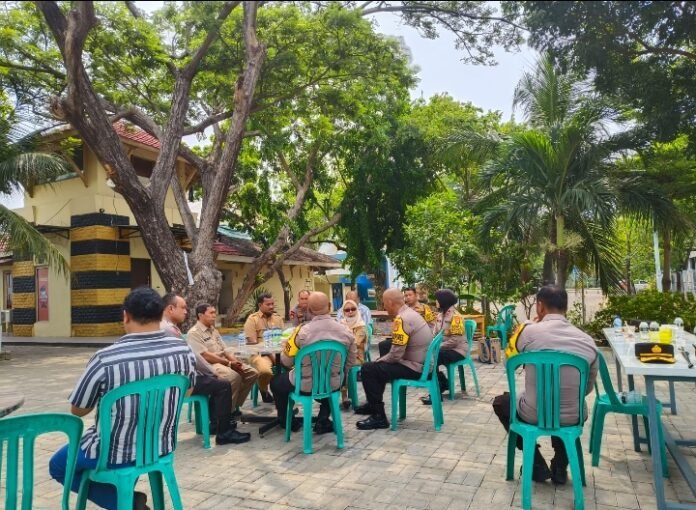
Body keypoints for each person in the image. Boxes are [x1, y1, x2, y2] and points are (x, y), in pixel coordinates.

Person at [49, 288, 196, 510]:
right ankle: (125, 499)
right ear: (161, 315)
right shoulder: (183, 350)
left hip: (113, 453)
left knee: (58, 466)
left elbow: (78, 410)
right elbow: (187, 392)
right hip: (161, 446)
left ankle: (125, 503)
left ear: (126, 316)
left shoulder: (105, 359)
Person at [492, 285, 598, 486]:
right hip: (572, 416)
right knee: (564, 405)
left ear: (540, 306)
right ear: (566, 307)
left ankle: (536, 464)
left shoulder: (528, 331)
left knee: (501, 402)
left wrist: (527, 328)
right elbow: (586, 389)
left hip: (532, 413)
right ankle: (560, 466)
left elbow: (508, 363)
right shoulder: (588, 341)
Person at [161, 293, 250, 445]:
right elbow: (194, 356)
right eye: (183, 308)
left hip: (179, 377)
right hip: (179, 382)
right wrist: (212, 372)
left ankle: (220, 421)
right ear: (170, 308)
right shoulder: (169, 329)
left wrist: (211, 371)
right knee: (223, 384)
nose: (186, 312)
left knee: (218, 380)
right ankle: (223, 432)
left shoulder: (167, 327)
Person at [271, 292, 356, 433]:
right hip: (334, 383)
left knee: (276, 382)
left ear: (309, 310)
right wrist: (338, 374)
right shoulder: (346, 331)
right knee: (327, 383)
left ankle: (287, 421)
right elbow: (351, 360)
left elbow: (286, 361)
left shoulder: (300, 332)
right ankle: (323, 420)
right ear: (330, 306)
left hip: (304, 384)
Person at [355, 288, 433, 430]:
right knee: (384, 348)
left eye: (384, 303)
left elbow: (396, 355)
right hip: (422, 362)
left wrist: (379, 361)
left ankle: (379, 417)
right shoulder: (410, 313)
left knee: (368, 369)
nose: (384, 307)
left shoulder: (401, 319)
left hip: (415, 367)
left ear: (390, 303)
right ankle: (373, 405)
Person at [187, 303, 259, 411]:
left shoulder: (213, 330)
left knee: (251, 373)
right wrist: (229, 363)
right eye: (211, 313)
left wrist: (235, 363)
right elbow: (204, 356)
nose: (214, 315)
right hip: (209, 366)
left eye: (215, 313)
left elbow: (225, 350)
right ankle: (225, 413)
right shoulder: (194, 333)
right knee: (234, 376)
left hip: (223, 362)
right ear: (200, 315)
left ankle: (232, 406)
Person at [421, 289, 468, 405]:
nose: (436, 302)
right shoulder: (439, 316)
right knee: (426, 355)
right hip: (443, 349)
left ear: (444, 301)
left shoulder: (456, 317)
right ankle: (442, 384)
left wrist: (436, 347)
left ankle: (436, 393)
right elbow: (434, 334)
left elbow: (455, 341)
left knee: (433, 357)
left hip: (457, 350)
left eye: (437, 300)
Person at [243, 292, 285, 402]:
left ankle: (286, 395)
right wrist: (271, 355)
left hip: (278, 352)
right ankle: (264, 390)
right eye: (268, 304)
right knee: (265, 371)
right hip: (260, 354)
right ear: (260, 305)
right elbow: (253, 344)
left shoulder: (278, 318)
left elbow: (283, 338)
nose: (271, 307)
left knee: (297, 366)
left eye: (272, 304)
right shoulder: (252, 320)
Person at [338, 299, 368, 408]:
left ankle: (344, 396)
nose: (350, 311)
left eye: (353, 309)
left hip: (357, 357)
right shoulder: (340, 324)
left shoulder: (361, 326)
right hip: (343, 355)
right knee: (333, 363)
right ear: (343, 312)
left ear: (357, 310)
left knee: (344, 365)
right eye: (347, 310)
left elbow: (356, 343)